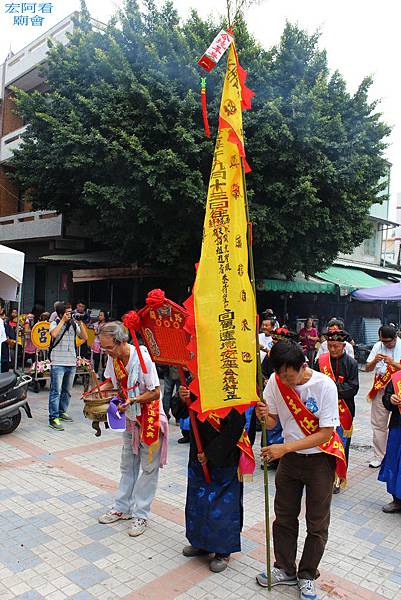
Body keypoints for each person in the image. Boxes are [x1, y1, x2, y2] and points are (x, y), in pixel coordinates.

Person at [256, 340, 342, 600]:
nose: (284, 380)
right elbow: (272, 422)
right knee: (283, 515)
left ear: (302, 365)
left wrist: (284, 448)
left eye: (288, 375)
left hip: (319, 460)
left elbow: (326, 433)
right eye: (279, 375)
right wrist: (265, 415)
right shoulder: (275, 381)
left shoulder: (324, 385)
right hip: (291, 460)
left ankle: (307, 574)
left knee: (316, 522)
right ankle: (285, 568)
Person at [98, 321, 168, 537]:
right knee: (128, 464)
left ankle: (141, 514)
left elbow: (155, 392)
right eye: (104, 348)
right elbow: (111, 382)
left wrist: (135, 399)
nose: (107, 352)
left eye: (110, 347)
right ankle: (122, 507)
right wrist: (97, 391)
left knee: (148, 468)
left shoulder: (143, 359)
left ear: (122, 342)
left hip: (149, 418)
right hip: (130, 418)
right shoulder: (114, 357)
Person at [179, 384, 254, 573]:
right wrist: (183, 398)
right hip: (198, 453)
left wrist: (211, 454)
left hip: (224, 457)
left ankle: (223, 550)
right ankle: (201, 543)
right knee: (198, 501)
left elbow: (237, 426)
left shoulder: (232, 381)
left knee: (222, 506)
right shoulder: (195, 382)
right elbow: (180, 413)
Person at [315, 329, 359, 492]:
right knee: (322, 442)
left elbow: (353, 387)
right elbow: (314, 383)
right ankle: (322, 475)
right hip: (323, 410)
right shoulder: (320, 361)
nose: (333, 349)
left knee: (341, 444)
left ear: (343, 345)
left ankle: (338, 477)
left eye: (336, 346)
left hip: (344, 410)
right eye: (330, 346)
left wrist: (331, 389)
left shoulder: (351, 363)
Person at [48, 301, 88, 431]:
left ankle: (62, 411)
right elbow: (53, 334)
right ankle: (53, 418)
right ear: (60, 314)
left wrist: (80, 323)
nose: (70, 314)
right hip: (58, 362)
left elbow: (84, 337)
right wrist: (62, 321)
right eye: (68, 312)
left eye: (71, 312)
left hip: (71, 362)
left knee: (67, 391)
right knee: (56, 391)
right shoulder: (54, 323)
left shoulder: (73, 324)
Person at [365, 325, 401, 468]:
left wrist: (393, 363)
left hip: (399, 387)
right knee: (378, 424)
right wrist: (374, 361)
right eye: (382, 341)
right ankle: (379, 456)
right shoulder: (378, 346)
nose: (385, 344)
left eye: (388, 342)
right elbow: (367, 368)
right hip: (381, 387)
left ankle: (395, 454)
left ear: (395, 338)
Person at [378, 381, 401, 513]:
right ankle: (397, 500)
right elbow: (386, 398)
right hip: (397, 426)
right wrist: (391, 399)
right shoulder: (397, 378)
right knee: (394, 462)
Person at [91, 309, 109, 374]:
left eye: (101, 315)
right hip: (97, 342)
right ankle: (96, 372)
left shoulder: (107, 325)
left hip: (104, 343)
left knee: (104, 359)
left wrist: (98, 332)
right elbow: (96, 333)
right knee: (96, 358)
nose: (99, 316)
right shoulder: (96, 324)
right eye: (99, 315)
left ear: (105, 316)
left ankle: (104, 373)